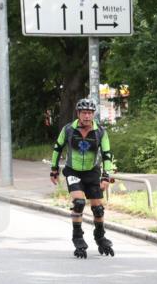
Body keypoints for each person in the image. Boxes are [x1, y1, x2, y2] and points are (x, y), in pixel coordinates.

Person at [49, 99, 116, 258]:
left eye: (90, 113)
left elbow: (107, 155)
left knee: (98, 209)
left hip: (92, 172)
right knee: (78, 203)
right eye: (84, 113)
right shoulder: (68, 130)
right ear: (78, 114)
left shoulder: (100, 132)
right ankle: (78, 237)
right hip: (73, 171)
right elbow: (57, 148)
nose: (87, 116)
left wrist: (106, 175)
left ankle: (100, 237)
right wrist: (54, 169)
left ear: (93, 114)